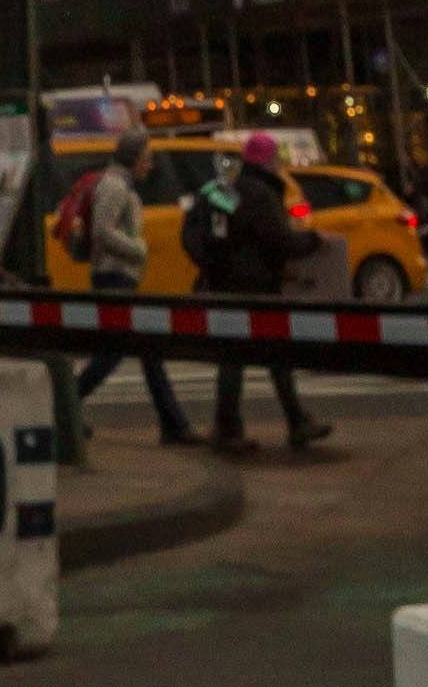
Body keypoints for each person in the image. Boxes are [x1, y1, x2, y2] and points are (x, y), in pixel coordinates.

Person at [186, 135, 337, 454]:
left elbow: (197, 232)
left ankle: (236, 426)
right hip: (256, 287)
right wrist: (313, 240)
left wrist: (211, 265)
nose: (280, 164)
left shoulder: (224, 189)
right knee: (274, 352)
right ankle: (290, 423)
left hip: (224, 283)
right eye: (276, 158)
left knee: (235, 355)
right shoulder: (261, 193)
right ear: (268, 161)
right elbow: (278, 241)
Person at [68, 125, 193, 449]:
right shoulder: (115, 186)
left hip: (118, 276)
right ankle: (64, 406)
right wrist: (138, 250)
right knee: (113, 353)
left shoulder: (120, 185)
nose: (150, 165)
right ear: (134, 158)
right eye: (146, 158)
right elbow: (103, 231)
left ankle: (174, 423)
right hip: (114, 276)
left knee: (146, 348)